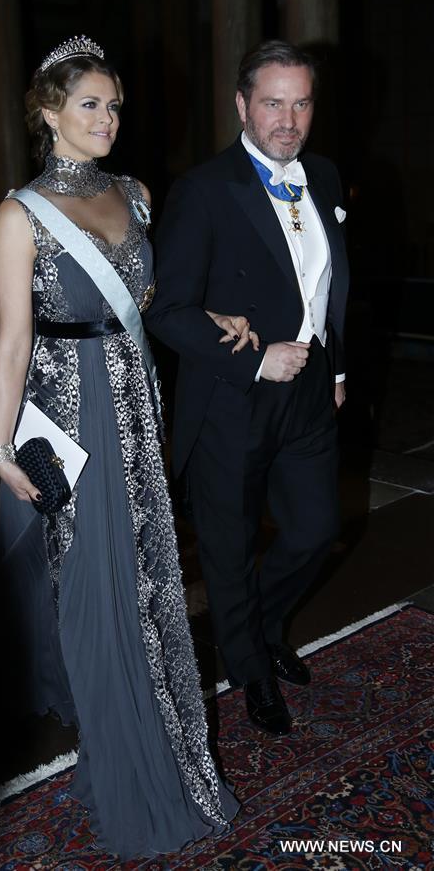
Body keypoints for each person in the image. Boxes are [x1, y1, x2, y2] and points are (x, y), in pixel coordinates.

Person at [0, 35, 242, 861]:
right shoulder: (20, 211)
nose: (108, 118)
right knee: (100, 587)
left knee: (150, 581)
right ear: (49, 112)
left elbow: (152, 308)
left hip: (138, 403)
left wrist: (213, 320)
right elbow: (13, 344)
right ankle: (130, 759)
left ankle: (164, 741)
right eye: (90, 103)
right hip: (71, 421)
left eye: (115, 103)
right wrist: (0, 450)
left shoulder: (135, 193)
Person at [146, 40, 349, 737]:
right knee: (229, 550)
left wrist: (339, 367)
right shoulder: (204, 190)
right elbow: (165, 309)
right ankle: (251, 669)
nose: (287, 119)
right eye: (272, 103)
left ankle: (258, 628)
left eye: (300, 103)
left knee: (317, 527)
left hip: (312, 391)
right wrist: (258, 358)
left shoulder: (322, 173)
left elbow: (333, 282)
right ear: (242, 105)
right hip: (234, 396)